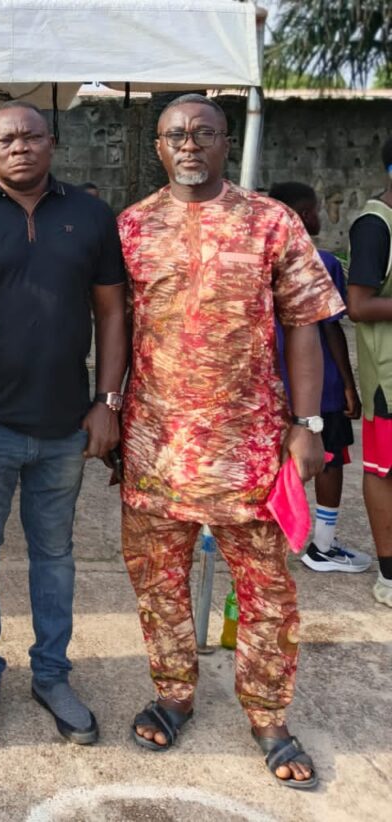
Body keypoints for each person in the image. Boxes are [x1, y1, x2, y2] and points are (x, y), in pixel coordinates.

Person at [117, 94, 344, 789]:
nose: (189, 144)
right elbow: (112, 327)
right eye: (175, 134)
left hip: (250, 448)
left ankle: (269, 715)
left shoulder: (272, 221)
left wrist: (307, 426)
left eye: (204, 132)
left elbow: (304, 325)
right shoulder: (131, 226)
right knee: (157, 582)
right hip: (154, 445)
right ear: (158, 147)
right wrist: (106, 412)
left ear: (225, 142)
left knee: (267, 588)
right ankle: (174, 693)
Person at [0, 100, 127, 747]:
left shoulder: (91, 217)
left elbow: (112, 313)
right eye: (6, 139)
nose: (20, 147)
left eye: (31, 136)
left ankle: (51, 675)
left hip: (66, 425)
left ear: (53, 143)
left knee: (55, 555)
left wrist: (108, 401)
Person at [268, 181, 368, 573]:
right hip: (318, 383)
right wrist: (348, 384)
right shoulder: (322, 261)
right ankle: (323, 546)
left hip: (272, 381)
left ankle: (271, 541)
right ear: (305, 215)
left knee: (273, 460)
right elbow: (330, 327)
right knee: (331, 459)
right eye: (315, 209)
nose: (320, 215)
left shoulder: (256, 259)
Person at [346, 136, 392, 606]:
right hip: (388, 377)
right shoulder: (375, 225)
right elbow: (358, 306)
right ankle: (389, 576)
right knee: (384, 470)